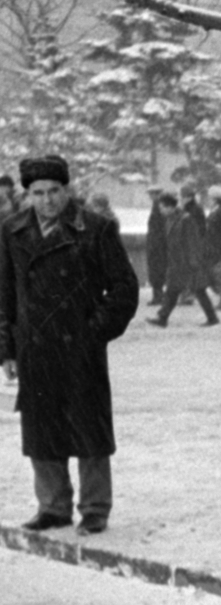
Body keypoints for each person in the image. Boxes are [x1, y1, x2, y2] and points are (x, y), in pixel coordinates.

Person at [0, 155, 139, 535]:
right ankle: (53, 506)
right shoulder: (11, 231)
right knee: (42, 429)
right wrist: (7, 349)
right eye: (38, 193)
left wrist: (92, 332)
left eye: (54, 192)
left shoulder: (95, 229)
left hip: (80, 348)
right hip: (34, 347)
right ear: (27, 194)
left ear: (67, 190)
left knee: (88, 427)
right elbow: (5, 295)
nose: (46, 201)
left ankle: (95, 508)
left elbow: (125, 290)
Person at [147, 192, 218, 328]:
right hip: (177, 261)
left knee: (197, 290)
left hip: (186, 262)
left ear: (170, 207)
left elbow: (192, 241)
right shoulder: (173, 219)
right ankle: (163, 317)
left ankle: (211, 317)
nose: (161, 211)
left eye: (162, 207)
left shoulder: (185, 219)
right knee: (173, 291)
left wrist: (193, 261)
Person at [143, 185, 168, 307]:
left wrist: (154, 242)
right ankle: (158, 295)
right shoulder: (160, 206)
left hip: (157, 244)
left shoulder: (158, 207)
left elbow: (158, 228)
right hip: (158, 243)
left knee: (156, 270)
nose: (150, 196)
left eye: (152, 194)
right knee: (157, 270)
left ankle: (158, 296)